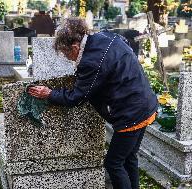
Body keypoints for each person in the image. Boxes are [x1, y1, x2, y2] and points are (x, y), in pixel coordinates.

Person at [28, 17, 158, 189]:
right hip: (145, 103)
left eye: (67, 54)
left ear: (75, 46)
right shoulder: (105, 37)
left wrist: (49, 93)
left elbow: (76, 97)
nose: (68, 58)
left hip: (130, 112)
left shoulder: (90, 62)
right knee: (129, 157)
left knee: (113, 163)